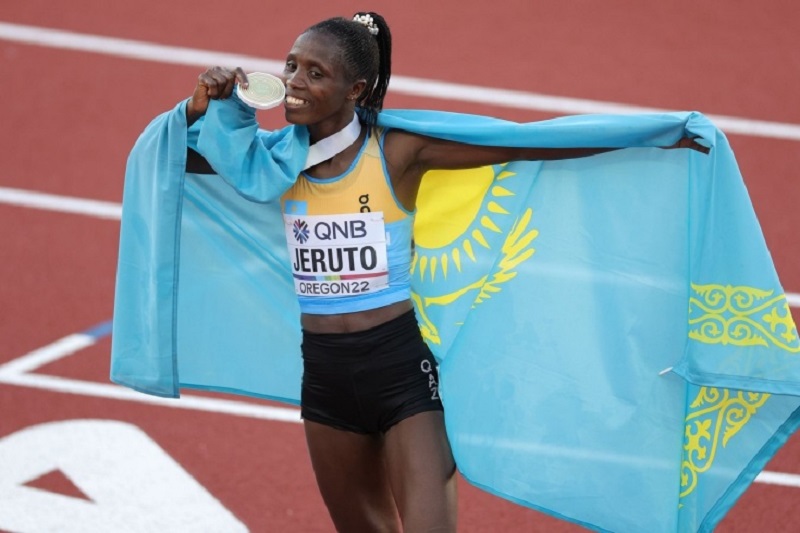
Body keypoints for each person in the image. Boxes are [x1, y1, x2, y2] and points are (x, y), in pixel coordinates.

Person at [180, 12, 706, 533]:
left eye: (316, 73)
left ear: (355, 90)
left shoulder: (397, 152)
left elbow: (522, 142)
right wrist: (196, 110)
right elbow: (174, 160)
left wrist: (653, 135)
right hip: (325, 379)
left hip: (400, 375)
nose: (294, 82)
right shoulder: (271, 162)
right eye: (292, 65)